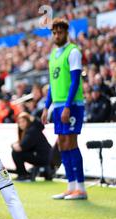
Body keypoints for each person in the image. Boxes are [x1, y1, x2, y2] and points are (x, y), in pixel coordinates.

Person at [41, 18, 87, 200]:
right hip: (58, 106)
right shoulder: (53, 55)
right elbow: (52, 84)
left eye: (60, 32)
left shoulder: (73, 51)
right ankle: (70, 186)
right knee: (62, 144)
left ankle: (81, 187)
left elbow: (75, 81)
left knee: (71, 143)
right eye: (54, 32)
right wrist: (46, 107)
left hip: (72, 105)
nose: (56, 35)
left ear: (66, 33)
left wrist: (68, 105)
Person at [11, 112, 52, 181]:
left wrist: (12, 145)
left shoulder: (31, 131)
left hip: (44, 158)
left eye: (23, 121)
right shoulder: (31, 130)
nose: (21, 124)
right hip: (44, 157)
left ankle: (23, 175)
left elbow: (20, 148)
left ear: (28, 121)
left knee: (16, 153)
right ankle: (24, 174)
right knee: (17, 152)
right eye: (19, 122)